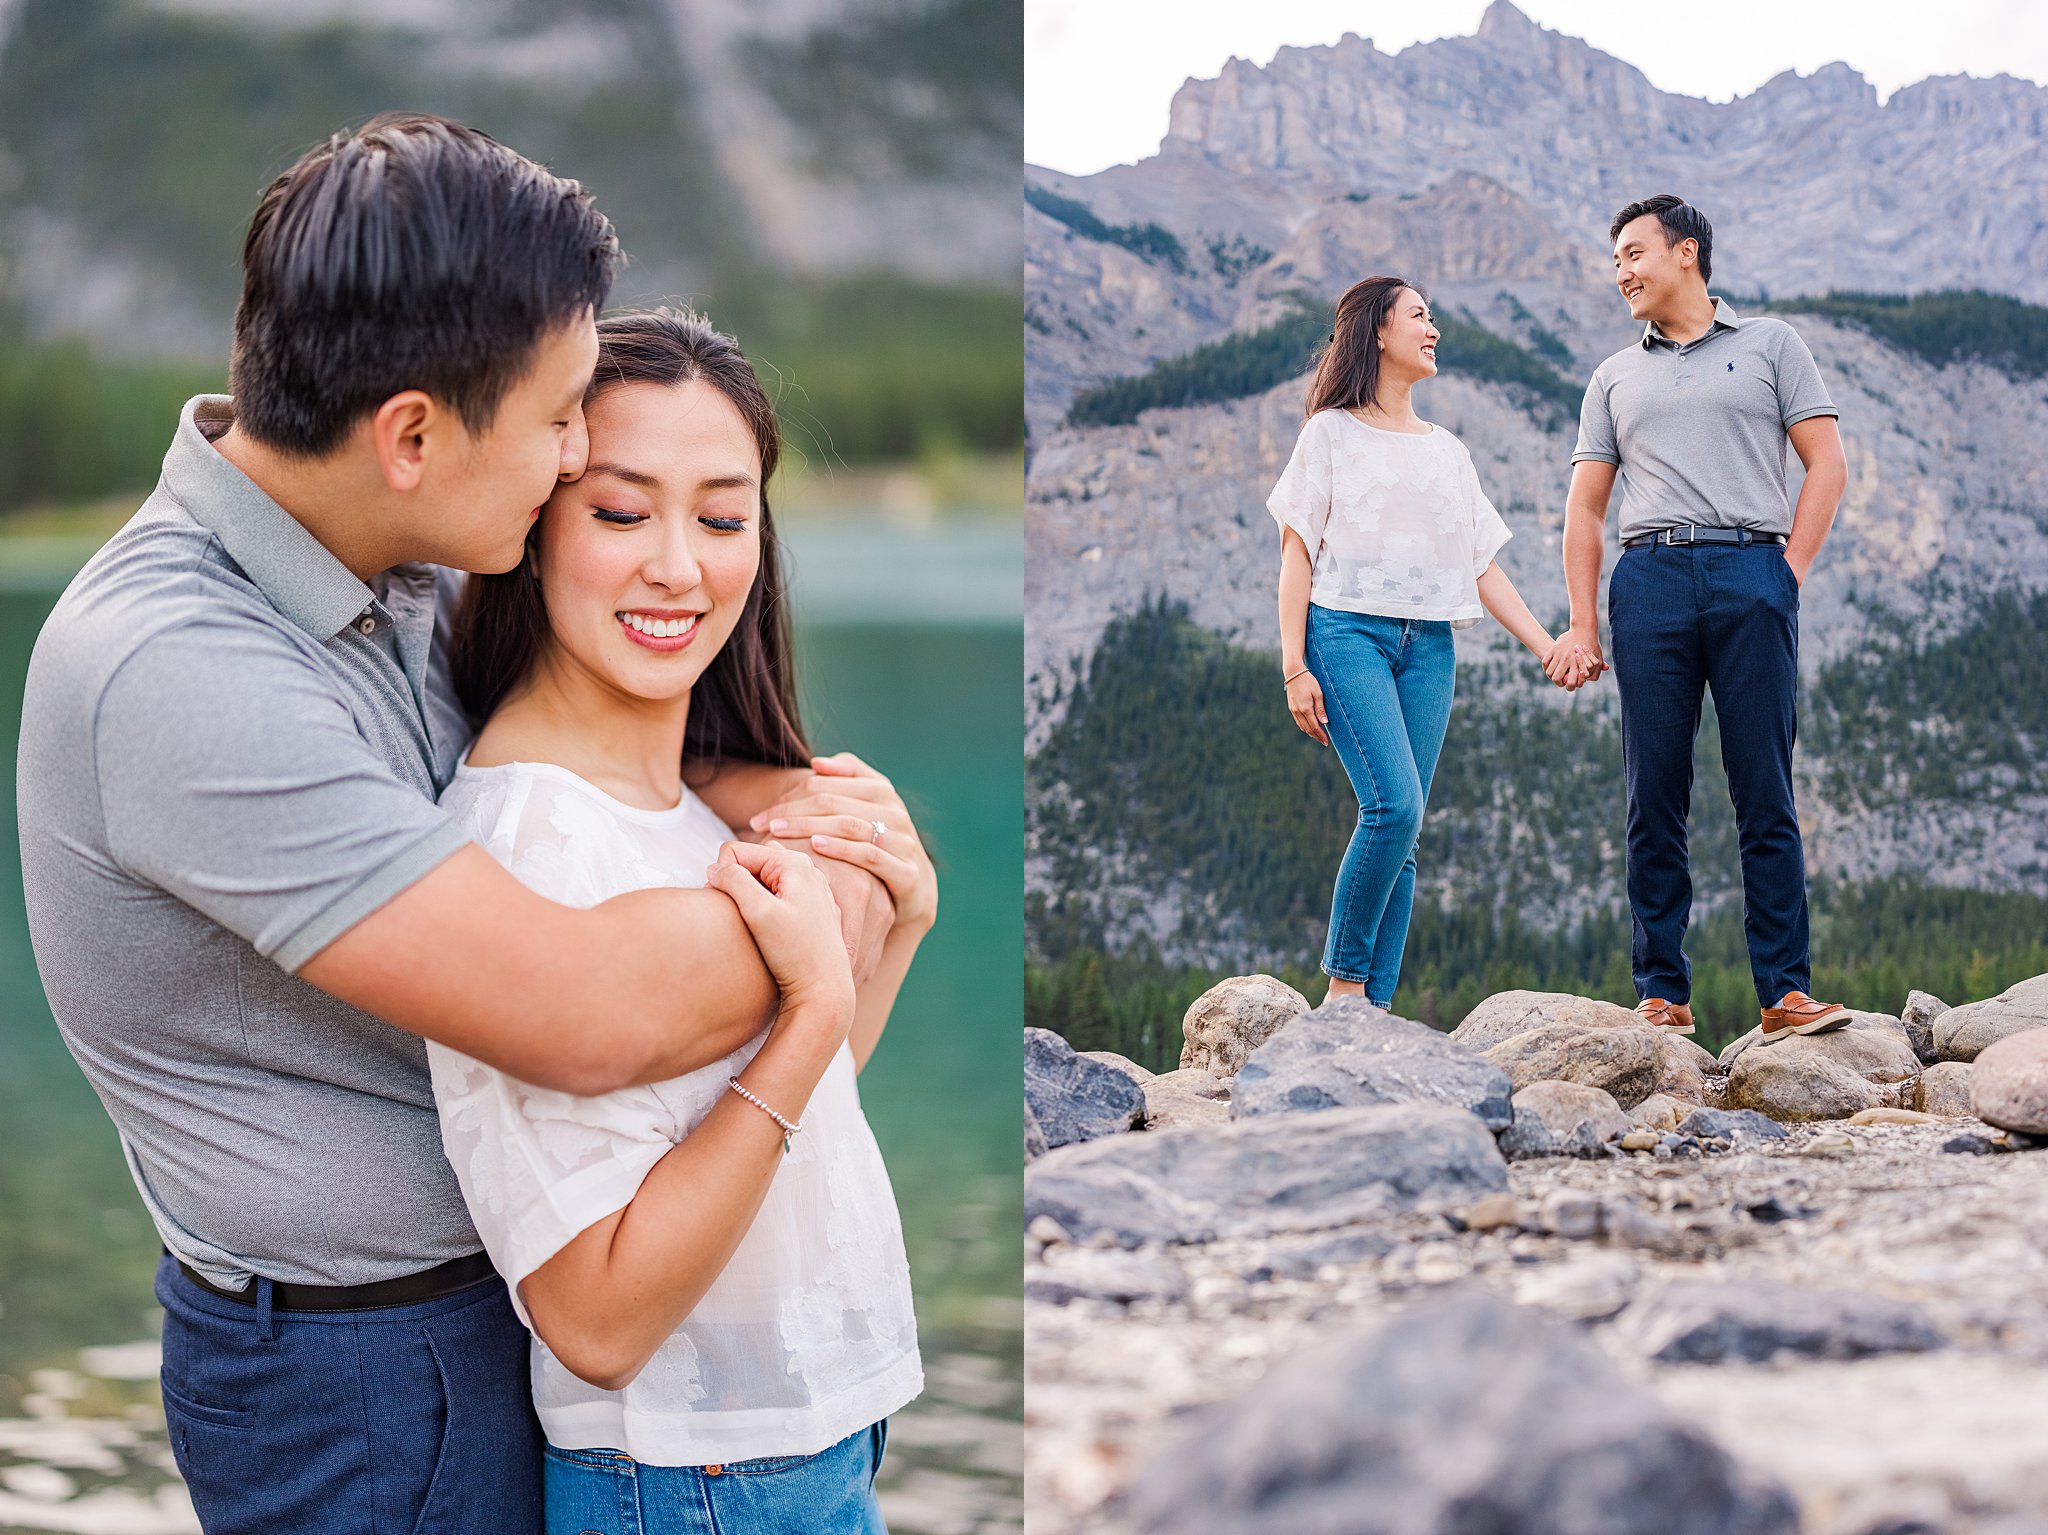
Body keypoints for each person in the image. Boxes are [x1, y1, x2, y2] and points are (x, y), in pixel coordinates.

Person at [16, 114, 918, 1534]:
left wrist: (806, 817)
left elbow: (636, 730)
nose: (574, 456)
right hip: (364, 1373)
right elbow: (586, 1009)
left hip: (501, 1312)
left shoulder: (397, 560)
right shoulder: (176, 670)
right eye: (563, 419)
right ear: (414, 435)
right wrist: (848, 905)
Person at [432, 308, 931, 1533]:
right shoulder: (527, 843)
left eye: (720, 517)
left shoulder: (691, 806)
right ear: (533, 523)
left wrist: (900, 923)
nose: (677, 565)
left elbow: (763, 1130)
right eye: (618, 511)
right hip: (683, 1475)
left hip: (803, 1442)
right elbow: (595, 1317)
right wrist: (813, 1005)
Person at [1548, 194, 1850, 1043]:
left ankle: (1786, 992)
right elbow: (1584, 511)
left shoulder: (1772, 345)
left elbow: (1826, 462)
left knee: (1765, 788)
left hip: (1752, 567)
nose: (1622, 274)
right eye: (1616, 262)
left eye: (1634, 255)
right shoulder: (1613, 376)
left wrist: (1785, 573)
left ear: (1686, 253)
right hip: (1649, 581)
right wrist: (1581, 623)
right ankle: (1661, 994)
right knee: (1655, 794)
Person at [1272, 275, 1576, 1009]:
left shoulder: (1448, 452)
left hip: (1430, 644)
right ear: (1377, 331)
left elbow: (1483, 565)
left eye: (1433, 317)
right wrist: (1292, 666)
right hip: (1345, 633)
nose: (1432, 328)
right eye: (1418, 316)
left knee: (1405, 834)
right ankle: (1344, 988)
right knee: (1393, 807)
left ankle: (1374, 1005)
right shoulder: (1330, 434)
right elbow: (1297, 553)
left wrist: (1546, 645)